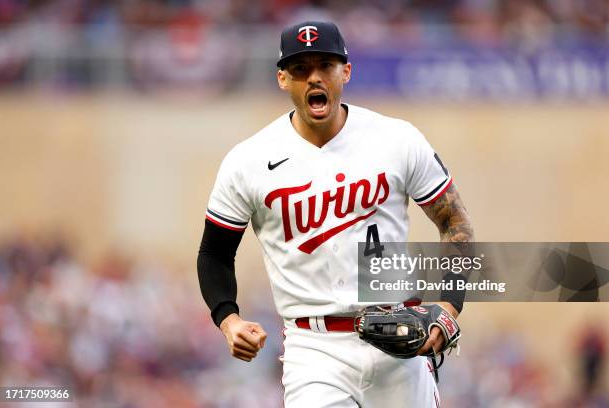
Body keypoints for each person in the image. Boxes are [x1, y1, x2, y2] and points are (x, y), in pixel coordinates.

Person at [198, 21, 474, 407]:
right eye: (300, 68)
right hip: (314, 350)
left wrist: (448, 306)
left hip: (401, 341)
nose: (314, 77)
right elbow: (214, 252)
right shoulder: (248, 160)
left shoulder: (397, 138)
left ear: (346, 71)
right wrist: (228, 319)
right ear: (282, 78)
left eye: (325, 65)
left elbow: (454, 223)